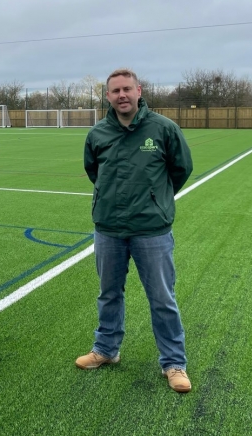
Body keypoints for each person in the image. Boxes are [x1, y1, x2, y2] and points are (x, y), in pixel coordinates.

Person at [76, 68, 193, 393]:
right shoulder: (98, 133)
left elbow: (181, 169)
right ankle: (106, 350)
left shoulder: (163, 128)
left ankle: (173, 363)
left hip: (151, 230)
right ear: (109, 96)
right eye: (115, 91)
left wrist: (157, 200)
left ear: (139, 90)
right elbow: (93, 171)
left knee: (162, 298)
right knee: (108, 294)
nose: (122, 95)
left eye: (127, 89)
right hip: (109, 229)